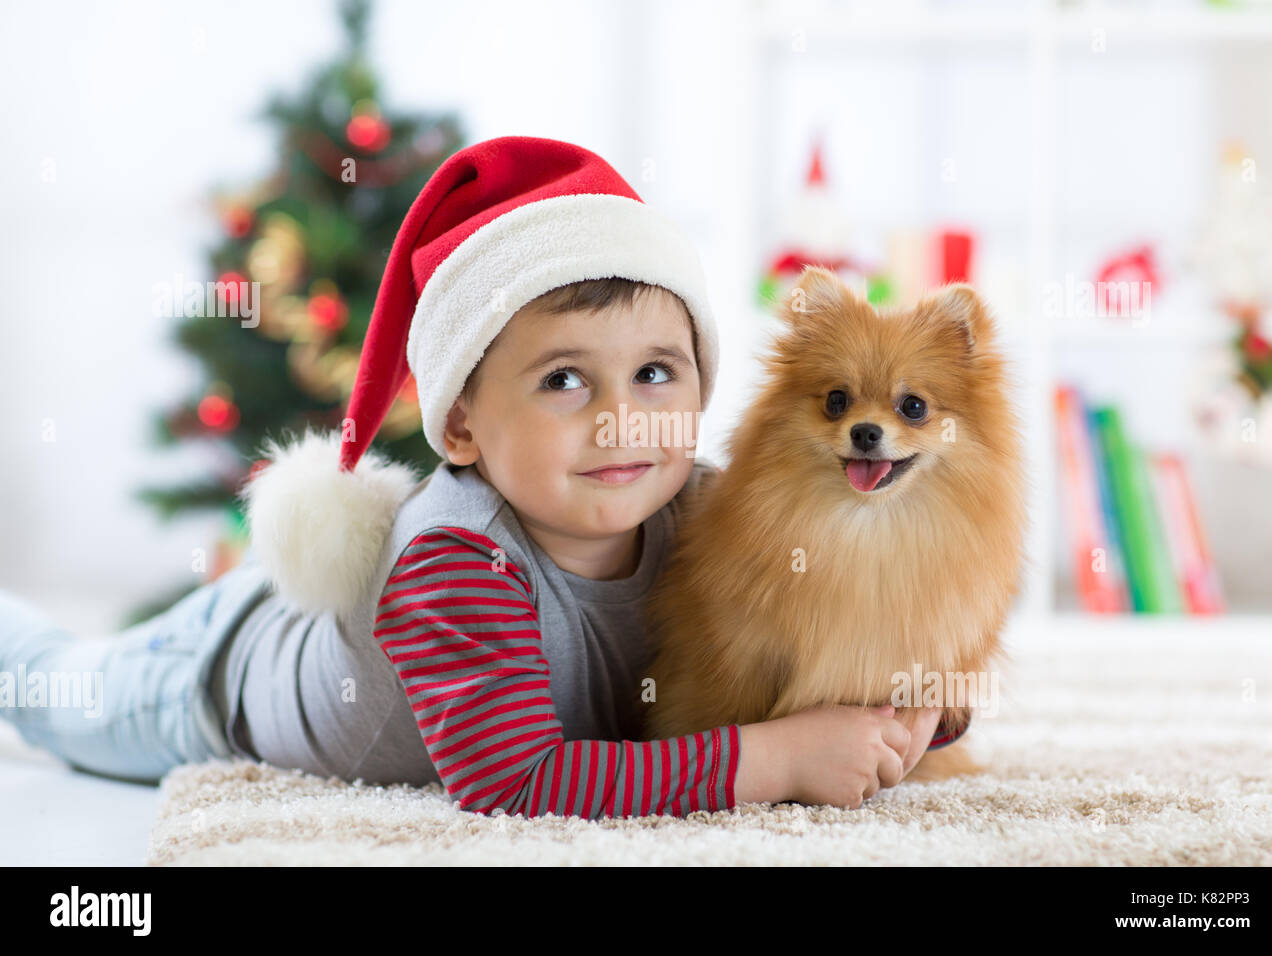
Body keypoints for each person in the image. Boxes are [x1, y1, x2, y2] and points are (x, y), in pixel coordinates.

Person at [0, 136, 961, 820]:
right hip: (217, 683)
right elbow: (518, 785)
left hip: (280, 640)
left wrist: (916, 701)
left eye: (655, 373)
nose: (621, 416)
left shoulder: (706, 507)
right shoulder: (457, 559)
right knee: (49, 687)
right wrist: (780, 759)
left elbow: (824, 624)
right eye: (563, 380)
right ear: (460, 423)